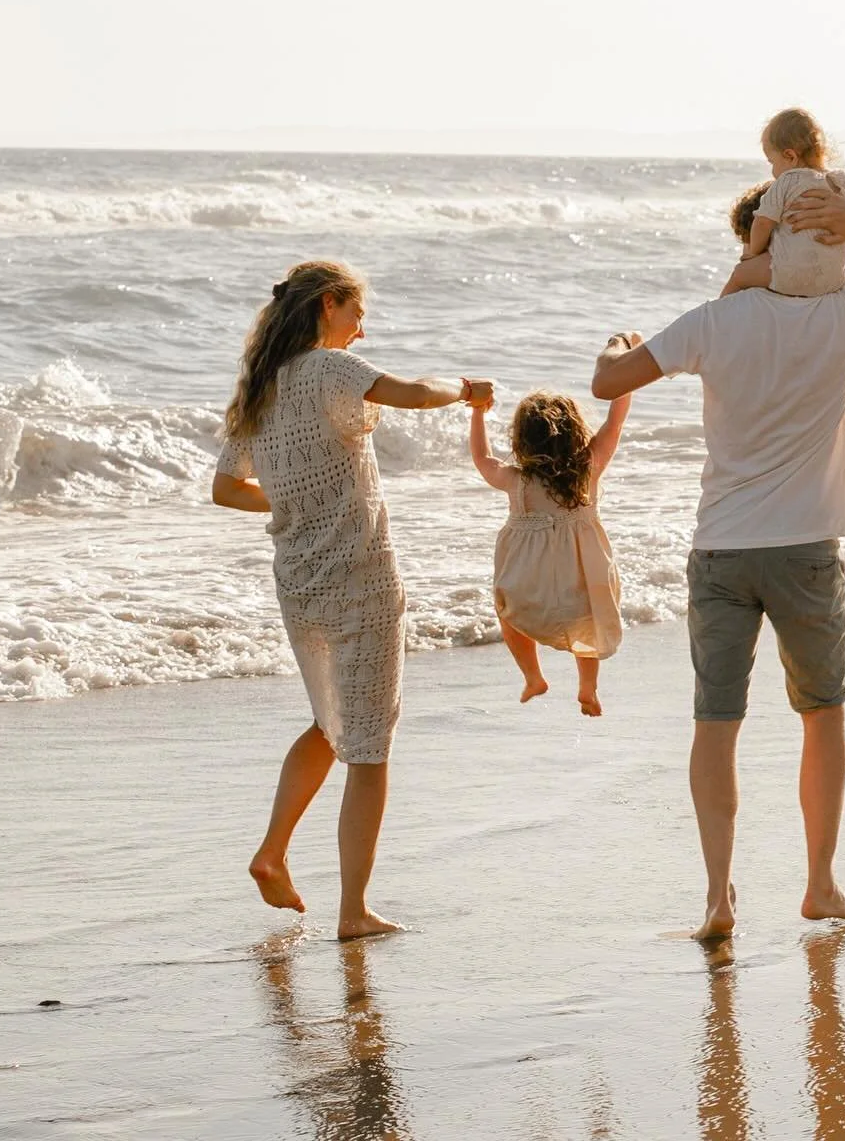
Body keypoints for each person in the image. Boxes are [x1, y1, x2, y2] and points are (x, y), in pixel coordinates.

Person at [591, 186, 845, 939]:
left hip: (722, 550)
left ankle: (716, 897)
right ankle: (820, 885)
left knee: (716, 721)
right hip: (805, 551)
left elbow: (607, 384)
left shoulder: (715, 319)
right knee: (823, 714)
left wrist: (616, 348)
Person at [212, 260, 493, 940]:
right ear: (329, 304)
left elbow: (226, 488)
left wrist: (297, 502)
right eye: (357, 315)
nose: (361, 332)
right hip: (360, 578)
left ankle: (273, 851)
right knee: (368, 748)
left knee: (331, 725)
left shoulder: (260, 389)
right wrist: (464, 390)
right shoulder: (328, 369)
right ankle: (353, 912)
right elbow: (414, 394)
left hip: (298, 582)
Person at [468, 386, 630, 715]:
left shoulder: (517, 480)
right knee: (587, 621)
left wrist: (477, 412)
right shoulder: (588, 469)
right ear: (576, 433)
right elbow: (614, 424)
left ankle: (533, 676)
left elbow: (482, 459)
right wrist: (624, 383)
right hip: (581, 571)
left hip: (529, 579)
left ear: (521, 440)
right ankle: (587, 688)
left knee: (508, 612)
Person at [722, 108, 845, 298]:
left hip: (790, 276)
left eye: (772, 162)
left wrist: (753, 255)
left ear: (790, 156)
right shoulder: (844, 182)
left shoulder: (787, 182)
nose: (772, 170)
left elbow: (763, 223)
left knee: (740, 275)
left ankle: (718, 318)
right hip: (832, 281)